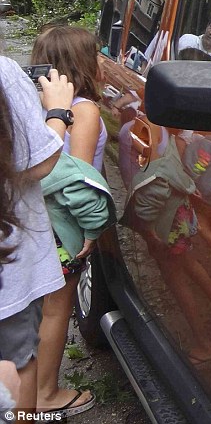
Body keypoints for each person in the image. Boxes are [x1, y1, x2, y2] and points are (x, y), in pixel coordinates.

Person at [30, 26, 108, 417]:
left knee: (36, 309)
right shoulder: (84, 110)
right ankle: (45, 395)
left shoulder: (39, 110)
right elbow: (76, 181)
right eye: (96, 55)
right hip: (63, 230)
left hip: (35, 223)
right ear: (82, 64)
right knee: (56, 310)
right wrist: (92, 231)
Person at [0, 56, 74, 414]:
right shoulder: (4, 73)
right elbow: (38, 162)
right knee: (15, 365)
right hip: (6, 265)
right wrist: (58, 111)